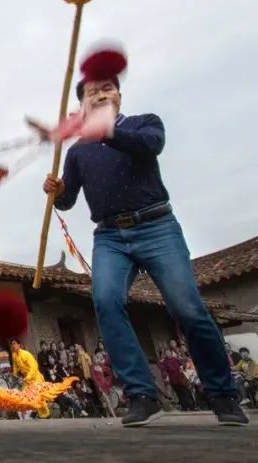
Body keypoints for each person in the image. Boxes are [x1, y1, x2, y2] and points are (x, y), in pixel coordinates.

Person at [44, 69, 248, 427]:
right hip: (109, 235)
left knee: (187, 308)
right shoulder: (77, 152)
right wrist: (57, 191)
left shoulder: (143, 124)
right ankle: (141, 393)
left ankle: (222, 393)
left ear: (118, 97)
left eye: (107, 88)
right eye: (92, 92)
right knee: (105, 302)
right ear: (82, 104)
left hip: (157, 226)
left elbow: (149, 146)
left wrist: (107, 131)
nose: (101, 95)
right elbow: (68, 201)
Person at [10, 339, 50, 419]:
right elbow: (15, 366)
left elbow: (33, 368)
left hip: (35, 378)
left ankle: (47, 415)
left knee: (38, 397)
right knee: (26, 395)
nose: (13, 346)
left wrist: (27, 377)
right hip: (26, 379)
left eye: (14, 343)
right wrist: (14, 373)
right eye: (11, 344)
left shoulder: (26, 354)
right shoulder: (14, 355)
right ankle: (34, 411)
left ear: (19, 345)